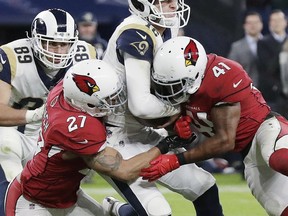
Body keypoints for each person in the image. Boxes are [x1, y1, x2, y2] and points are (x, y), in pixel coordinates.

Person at [140, 36, 288, 216]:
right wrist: (180, 131)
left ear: (195, 76)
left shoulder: (221, 75)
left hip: (267, 129)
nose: (169, 93)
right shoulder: (180, 80)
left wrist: (177, 160)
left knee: (278, 159)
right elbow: (189, 127)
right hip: (247, 154)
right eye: (165, 87)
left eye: (175, 86)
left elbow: (225, 141)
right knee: (280, 209)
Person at [101, 0, 223, 216]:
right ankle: (120, 212)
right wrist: (181, 112)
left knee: (204, 185)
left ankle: (118, 212)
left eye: (175, 0)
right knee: (158, 211)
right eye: (166, 1)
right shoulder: (135, 33)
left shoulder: (168, 26)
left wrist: (173, 123)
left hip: (146, 129)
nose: (174, 6)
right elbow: (141, 105)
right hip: (116, 134)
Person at [0, 8, 96, 215]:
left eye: (65, 44)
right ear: (35, 40)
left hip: (57, 140)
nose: (59, 51)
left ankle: (112, 208)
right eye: (52, 43)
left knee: (62, 199)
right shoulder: (12, 55)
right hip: (16, 133)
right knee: (4, 146)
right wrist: (34, 115)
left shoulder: (86, 54)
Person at [257, 9, 288, 118]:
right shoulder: (263, 43)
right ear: (269, 23)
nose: (277, 23)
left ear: (285, 22)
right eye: (273, 20)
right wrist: (283, 48)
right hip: (274, 95)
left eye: (279, 20)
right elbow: (268, 68)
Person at [228, 11, 263, 87]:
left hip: (271, 94)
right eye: (249, 23)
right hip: (247, 91)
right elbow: (231, 72)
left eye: (256, 22)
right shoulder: (236, 47)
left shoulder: (270, 44)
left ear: (261, 24)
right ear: (244, 26)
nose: (253, 26)